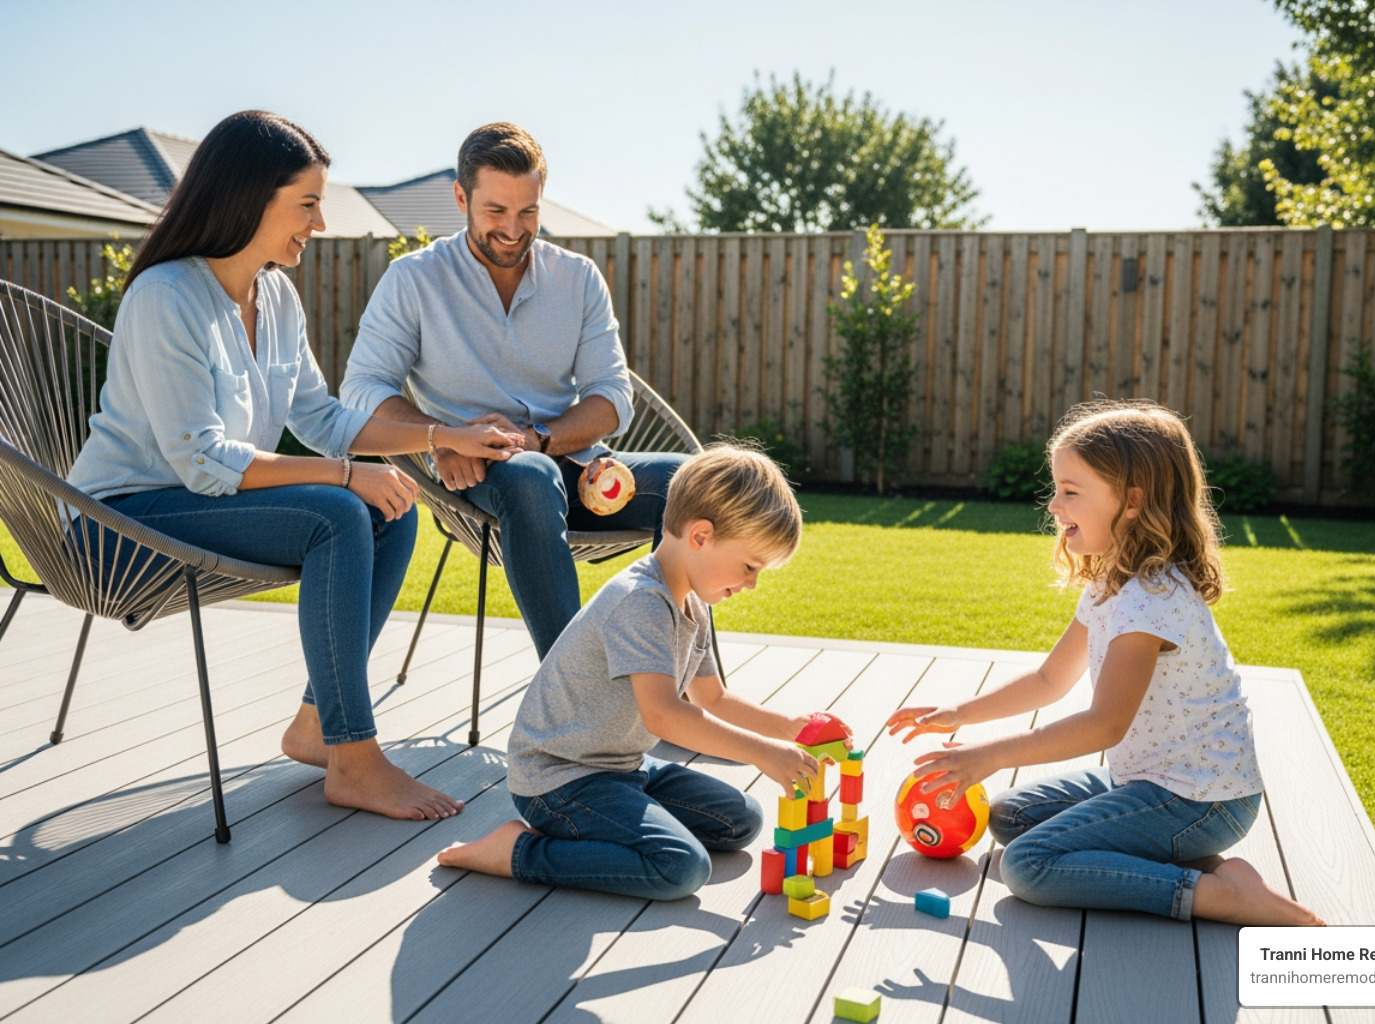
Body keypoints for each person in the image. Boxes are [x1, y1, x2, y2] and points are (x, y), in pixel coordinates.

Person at [66, 110, 519, 821]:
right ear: (250, 198)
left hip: (196, 502)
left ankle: (317, 725)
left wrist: (442, 436)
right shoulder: (165, 297)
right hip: (114, 523)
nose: (321, 222)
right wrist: (342, 475)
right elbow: (203, 459)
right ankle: (355, 758)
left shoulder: (275, 295)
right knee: (340, 508)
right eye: (308, 203)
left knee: (389, 507)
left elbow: (324, 419)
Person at [885, 400, 1324, 927]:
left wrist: (992, 754)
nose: (1054, 506)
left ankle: (1221, 896)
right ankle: (1209, 867)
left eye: (1071, 492)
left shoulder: (1152, 598)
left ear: (1133, 501)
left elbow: (1105, 724)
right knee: (1008, 816)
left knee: (1028, 865)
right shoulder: (1109, 582)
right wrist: (961, 713)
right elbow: (1050, 679)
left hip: (1202, 801)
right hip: (1147, 780)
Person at [340, 122, 686, 659]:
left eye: (528, 212)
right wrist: (443, 438)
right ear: (461, 198)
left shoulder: (578, 278)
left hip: (576, 468)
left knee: (696, 483)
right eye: (495, 212)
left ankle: (675, 677)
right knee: (529, 477)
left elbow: (613, 395)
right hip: (476, 477)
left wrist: (537, 438)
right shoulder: (414, 280)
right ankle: (573, 689)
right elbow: (362, 388)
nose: (513, 228)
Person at [437, 445, 828, 901]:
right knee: (680, 867)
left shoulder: (693, 602)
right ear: (700, 536)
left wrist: (790, 730)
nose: (752, 584)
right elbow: (665, 716)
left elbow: (712, 699)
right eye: (749, 566)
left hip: (622, 765)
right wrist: (763, 753)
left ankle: (623, 813)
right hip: (560, 777)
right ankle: (517, 851)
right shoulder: (641, 601)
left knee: (741, 820)